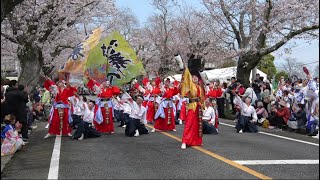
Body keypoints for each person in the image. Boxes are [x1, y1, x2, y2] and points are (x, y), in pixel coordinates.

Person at [180, 68, 203, 149]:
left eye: (196, 77)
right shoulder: (190, 85)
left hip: (198, 107)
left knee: (197, 125)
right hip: (191, 106)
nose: (195, 78)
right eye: (193, 77)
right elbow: (187, 78)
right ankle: (184, 141)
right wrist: (185, 69)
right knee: (189, 124)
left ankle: (196, 141)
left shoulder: (199, 87)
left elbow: (202, 97)